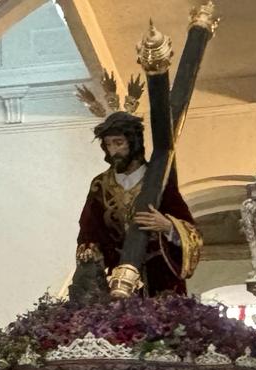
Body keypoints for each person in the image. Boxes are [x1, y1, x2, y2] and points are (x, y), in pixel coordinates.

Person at [74, 112, 201, 296]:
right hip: (117, 279)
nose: (113, 151)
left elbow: (192, 233)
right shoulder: (100, 185)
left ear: (133, 142)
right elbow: (89, 230)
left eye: (118, 143)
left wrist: (168, 226)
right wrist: (89, 249)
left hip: (160, 278)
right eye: (108, 144)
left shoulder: (159, 181)